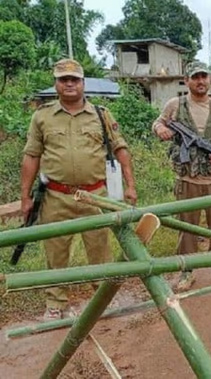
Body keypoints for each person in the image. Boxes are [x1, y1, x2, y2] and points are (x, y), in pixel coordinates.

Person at [21, 59, 137, 320]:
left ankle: (101, 298)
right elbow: (31, 156)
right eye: (64, 79)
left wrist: (130, 186)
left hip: (95, 195)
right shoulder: (42, 116)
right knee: (55, 251)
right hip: (55, 196)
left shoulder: (101, 114)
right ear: (56, 84)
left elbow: (121, 149)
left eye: (74, 79)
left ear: (83, 83)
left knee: (99, 250)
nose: (69, 83)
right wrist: (24, 196)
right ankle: (56, 303)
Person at [153, 61, 211, 291]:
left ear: (209, 80)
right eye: (195, 77)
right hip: (187, 179)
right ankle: (187, 272)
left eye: (204, 77)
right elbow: (159, 123)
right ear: (187, 81)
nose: (201, 81)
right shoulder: (175, 105)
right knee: (188, 227)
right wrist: (159, 129)